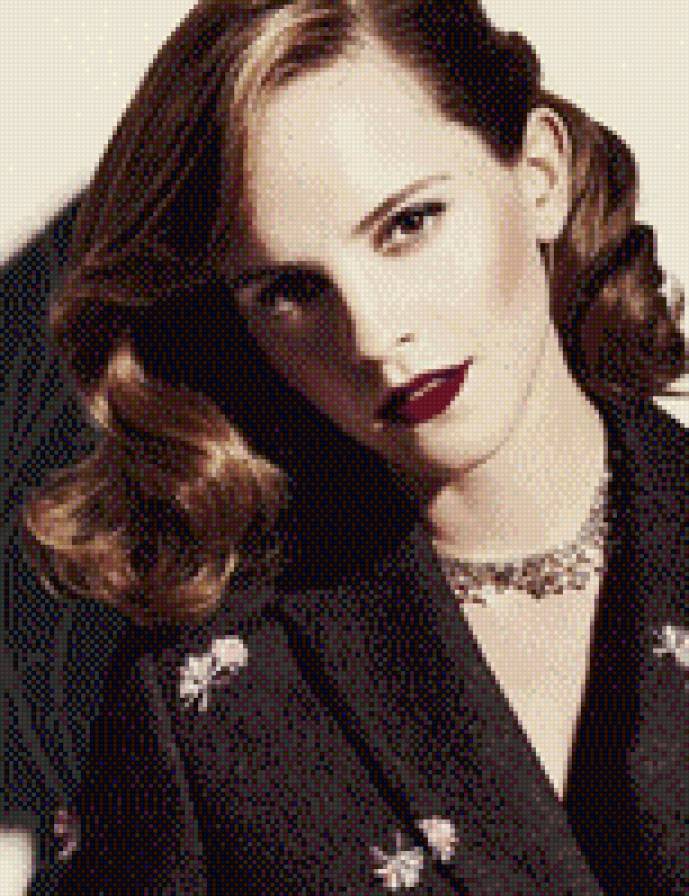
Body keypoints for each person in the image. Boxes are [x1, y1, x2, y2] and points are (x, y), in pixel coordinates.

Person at [19, 1, 689, 893]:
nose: (372, 335)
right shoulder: (204, 696)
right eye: (291, 289)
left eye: (407, 225)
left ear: (539, 175)